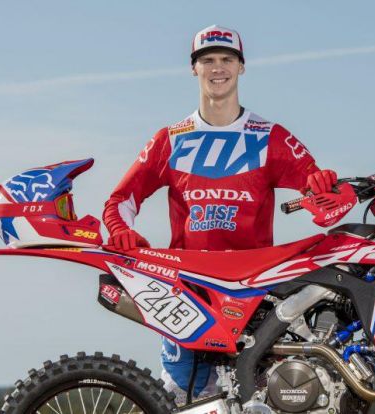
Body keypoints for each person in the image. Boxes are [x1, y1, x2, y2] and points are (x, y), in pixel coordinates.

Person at [102, 24, 337, 403]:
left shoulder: (272, 136)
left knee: (260, 399)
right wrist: (119, 230)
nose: (217, 68)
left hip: (255, 292)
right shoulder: (170, 138)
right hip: (187, 289)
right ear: (193, 68)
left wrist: (322, 189)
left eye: (227, 59)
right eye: (207, 60)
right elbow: (120, 200)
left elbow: (319, 197)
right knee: (178, 399)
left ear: (241, 67)